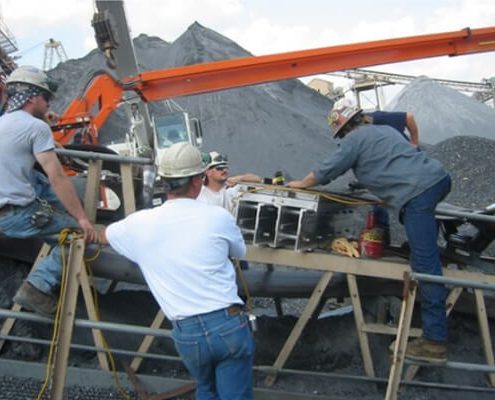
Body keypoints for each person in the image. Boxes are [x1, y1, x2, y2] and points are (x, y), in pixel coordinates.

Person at [287, 102, 452, 363]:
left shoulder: (354, 139)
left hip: (419, 191)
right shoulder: (384, 130)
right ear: (361, 117)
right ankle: (423, 246)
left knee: (424, 264)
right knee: (418, 233)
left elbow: (329, 168)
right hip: (438, 180)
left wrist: (300, 183)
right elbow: (393, 162)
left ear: (343, 130)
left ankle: (434, 341)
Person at [99, 142, 255, 399]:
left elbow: (103, 235)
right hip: (227, 325)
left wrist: (83, 225)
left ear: (164, 181)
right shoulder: (217, 217)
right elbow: (240, 253)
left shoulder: (139, 223)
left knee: (206, 389)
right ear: (199, 180)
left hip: (187, 334)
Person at [0, 66, 98, 317]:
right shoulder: (36, 129)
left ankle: (59, 213)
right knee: (77, 237)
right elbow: (57, 177)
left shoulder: (5, 123)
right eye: (46, 98)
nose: (49, 103)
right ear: (32, 97)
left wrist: (44, 119)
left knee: (34, 177)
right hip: (16, 214)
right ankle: (37, 288)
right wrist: (82, 219)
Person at [197, 151, 261, 213]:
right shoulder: (200, 194)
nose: (224, 170)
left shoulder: (230, 190)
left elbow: (257, 179)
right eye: (219, 168)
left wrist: (238, 178)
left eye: (225, 167)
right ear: (208, 172)